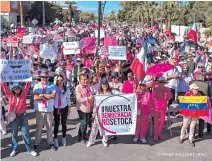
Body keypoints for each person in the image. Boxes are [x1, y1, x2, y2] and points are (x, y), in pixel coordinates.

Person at [1, 82, 37, 157]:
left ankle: (30, 149)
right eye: (15, 88)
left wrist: (28, 77)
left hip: (23, 115)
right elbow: (5, 87)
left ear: (21, 88)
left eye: (18, 88)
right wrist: (2, 79)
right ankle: (15, 148)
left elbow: (27, 85)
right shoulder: (10, 95)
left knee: (25, 133)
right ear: (12, 89)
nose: (17, 90)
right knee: (14, 133)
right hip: (13, 117)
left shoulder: (23, 94)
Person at [33, 70, 57, 151]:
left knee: (49, 127)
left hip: (49, 109)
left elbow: (53, 96)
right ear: (40, 78)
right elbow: (35, 97)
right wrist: (47, 95)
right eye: (43, 77)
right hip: (40, 110)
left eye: (46, 77)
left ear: (48, 77)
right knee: (39, 127)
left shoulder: (52, 85)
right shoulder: (37, 86)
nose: (44, 78)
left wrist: (42, 95)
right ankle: (36, 142)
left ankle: (50, 142)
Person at [87, 79, 112, 147]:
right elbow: (95, 103)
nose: (105, 86)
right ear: (101, 85)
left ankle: (104, 140)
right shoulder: (98, 93)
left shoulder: (110, 93)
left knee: (106, 127)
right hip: (98, 112)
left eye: (106, 84)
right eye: (103, 84)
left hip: (106, 112)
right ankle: (91, 140)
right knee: (95, 126)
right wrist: (94, 113)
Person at [152, 76, 172, 142]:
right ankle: (156, 134)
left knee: (162, 121)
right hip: (156, 107)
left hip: (163, 107)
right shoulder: (155, 88)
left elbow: (170, 96)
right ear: (159, 82)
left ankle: (159, 133)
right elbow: (153, 97)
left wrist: (166, 99)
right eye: (161, 82)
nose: (162, 83)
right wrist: (153, 90)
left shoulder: (167, 89)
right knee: (156, 122)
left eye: (163, 82)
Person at [53, 75, 71, 148]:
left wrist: (69, 108)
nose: (60, 81)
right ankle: (55, 138)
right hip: (56, 108)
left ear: (63, 80)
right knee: (56, 124)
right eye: (58, 80)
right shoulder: (54, 88)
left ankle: (63, 137)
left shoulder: (66, 88)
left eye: (61, 80)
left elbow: (68, 99)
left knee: (64, 123)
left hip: (64, 107)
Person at [75, 74, 94, 144]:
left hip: (88, 107)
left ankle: (81, 134)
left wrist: (91, 97)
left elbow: (90, 94)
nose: (86, 81)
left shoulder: (88, 86)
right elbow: (79, 99)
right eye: (84, 79)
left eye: (86, 79)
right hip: (81, 108)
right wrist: (87, 98)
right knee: (83, 123)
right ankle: (82, 136)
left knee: (85, 124)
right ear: (80, 80)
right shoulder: (78, 88)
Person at [192, 73, 210, 138]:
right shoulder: (206, 84)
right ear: (202, 78)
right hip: (203, 104)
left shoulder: (192, 83)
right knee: (201, 120)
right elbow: (209, 95)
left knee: (193, 120)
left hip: (193, 103)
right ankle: (201, 134)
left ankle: (193, 134)